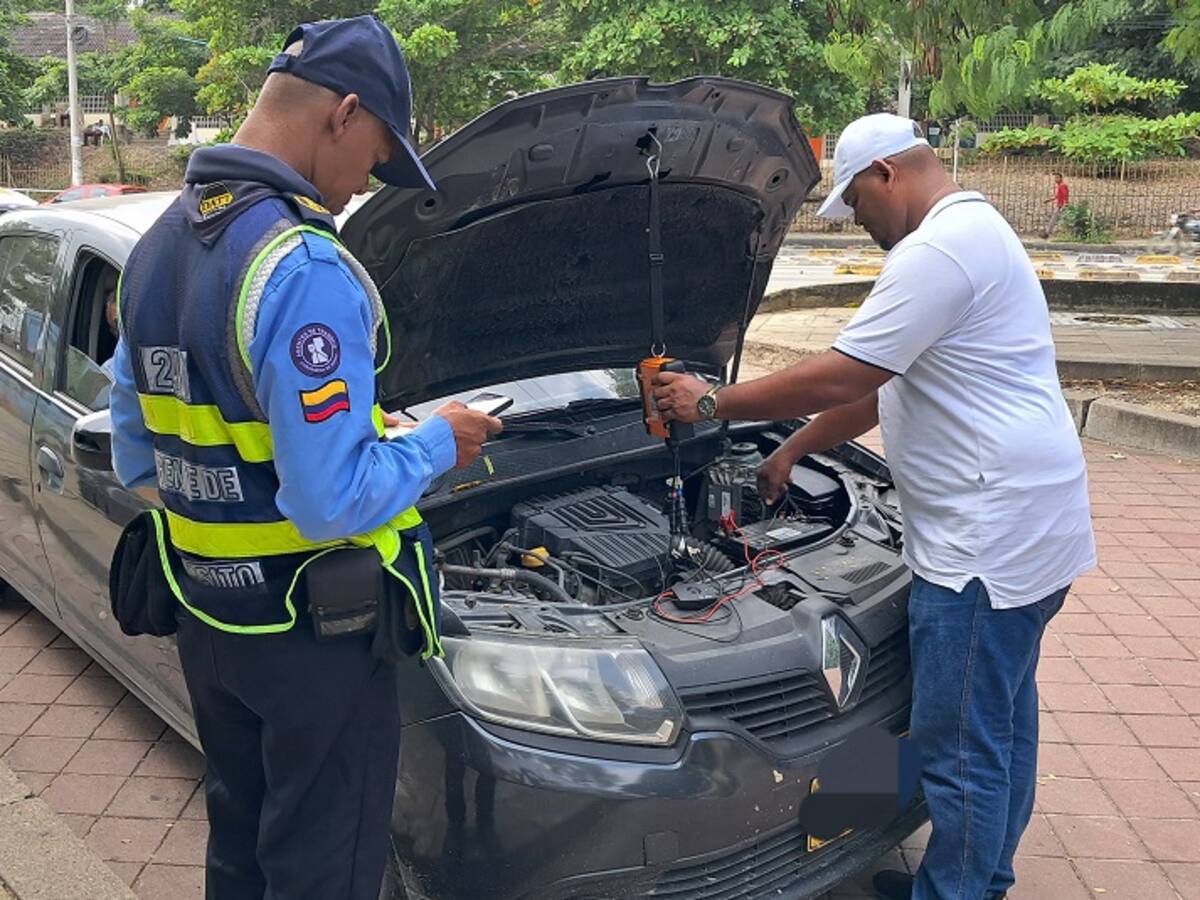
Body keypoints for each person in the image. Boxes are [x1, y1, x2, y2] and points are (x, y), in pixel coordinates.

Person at [653, 113, 1095, 900]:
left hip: (982, 546)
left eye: (856, 202)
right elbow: (880, 387)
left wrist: (712, 403)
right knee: (1002, 722)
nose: (859, 224)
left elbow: (842, 374)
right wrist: (792, 451)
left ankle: (957, 893)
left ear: (887, 173)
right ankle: (980, 877)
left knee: (960, 744)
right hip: (1031, 526)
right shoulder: (978, 229)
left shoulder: (938, 251)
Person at [109, 15, 501, 900]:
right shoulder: (300, 264)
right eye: (377, 155)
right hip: (314, 640)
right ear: (344, 111)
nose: (368, 185)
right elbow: (327, 504)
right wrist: (439, 442)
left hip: (211, 628)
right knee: (322, 871)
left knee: (241, 855)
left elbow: (139, 452)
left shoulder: (155, 253)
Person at [1041, 171, 1068, 238]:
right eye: (1055, 178)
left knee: (1053, 219)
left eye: (1057, 178)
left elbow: (1065, 195)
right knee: (1054, 219)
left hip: (1061, 205)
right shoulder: (1061, 186)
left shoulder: (1062, 186)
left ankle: (1047, 233)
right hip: (1060, 205)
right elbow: (1057, 196)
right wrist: (1049, 200)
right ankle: (1047, 233)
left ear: (1061, 178)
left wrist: (1065, 204)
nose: (1056, 179)